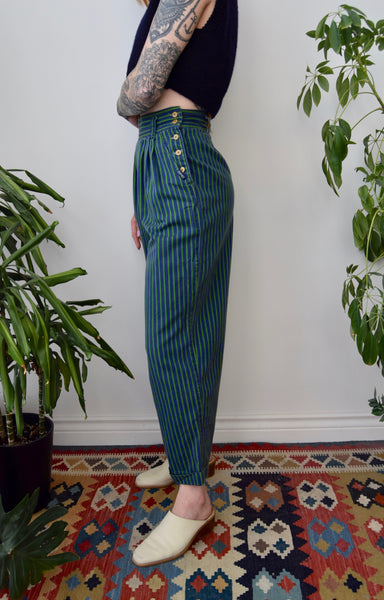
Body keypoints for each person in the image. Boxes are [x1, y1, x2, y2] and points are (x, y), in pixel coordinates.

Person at [116, 0, 238, 567]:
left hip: (178, 156)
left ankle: (194, 498)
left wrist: (124, 97)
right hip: (166, 161)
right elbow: (147, 103)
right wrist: (144, 193)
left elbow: (138, 95)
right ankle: (186, 455)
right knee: (189, 330)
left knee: (174, 339)